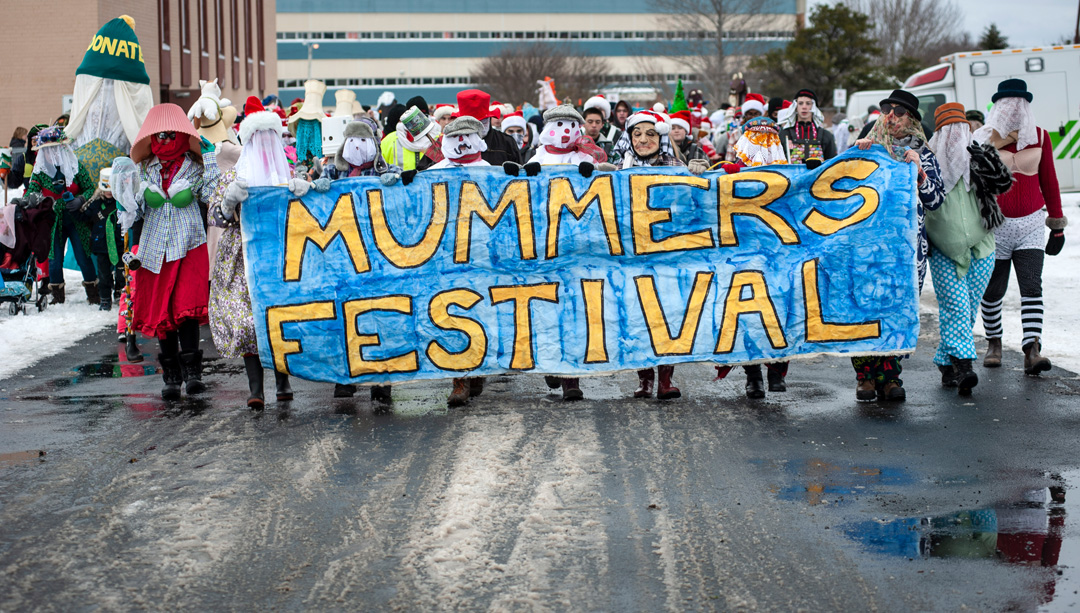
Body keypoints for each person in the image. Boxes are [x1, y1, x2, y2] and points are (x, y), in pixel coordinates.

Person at [208, 97, 305, 409]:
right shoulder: (232, 177)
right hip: (240, 255)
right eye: (257, 138)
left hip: (278, 253)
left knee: (277, 317)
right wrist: (229, 202)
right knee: (247, 321)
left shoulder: (287, 176)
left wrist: (304, 193)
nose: (263, 144)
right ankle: (255, 387)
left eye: (269, 138)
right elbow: (216, 217)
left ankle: (282, 380)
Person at [850, 89, 945, 401]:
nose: (890, 117)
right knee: (865, 305)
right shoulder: (867, 145)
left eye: (898, 112)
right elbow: (839, 191)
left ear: (911, 119)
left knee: (898, 307)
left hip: (907, 250)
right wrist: (854, 156)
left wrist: (919, 172)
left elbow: (935, 201)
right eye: (886, 110)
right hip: (868, 245)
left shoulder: (924, 153)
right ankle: (865, 376)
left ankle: (890, 376)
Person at [610, 110, 709, 399]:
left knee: (668, 316)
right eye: (637, 134)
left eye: (650, 134)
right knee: (636, 316)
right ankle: (645, 379)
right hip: (631, 256)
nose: (643, 140)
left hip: (668, 255)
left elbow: (699, 203)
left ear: (661, 138)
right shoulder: (617, 169)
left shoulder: (678, 168)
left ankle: (666, 379)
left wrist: (700, 174)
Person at [974, 79, 1067, 375]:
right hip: (995, 227)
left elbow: (1049, 180)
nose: (1014, 110)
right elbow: (974, 184)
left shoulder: (1039, 136)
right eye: (1007, 104)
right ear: (998, 107)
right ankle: (994, 344)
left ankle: (1032, 349)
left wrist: (1057, 224)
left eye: (1019, 104)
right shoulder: (985, 139)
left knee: (1031, 286)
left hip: (1030, 225)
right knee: (993, 289)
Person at [128, 103, 221, 400]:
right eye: (159, 135)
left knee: (186, 309)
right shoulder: (143, 169)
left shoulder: (195, 167)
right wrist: (131, 197)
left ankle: (193, 373)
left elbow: (212, 194)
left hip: (189, 245)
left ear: (182, 136)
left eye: (171, 135)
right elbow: (135, 208)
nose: (165, 141)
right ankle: (170, 375)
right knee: (162, 312)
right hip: (155, 250)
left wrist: (210, 158)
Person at [925, 103, 1013, 395]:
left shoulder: (980, 155)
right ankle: (964, 366)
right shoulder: (927, 163)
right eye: (947, 130)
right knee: (957, 307)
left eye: (960, 129)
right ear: (938, 132)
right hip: (944, 250)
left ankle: (944, 360)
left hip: (982, 247)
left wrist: (983, 158)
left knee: (967, 308)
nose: (954, 136)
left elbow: (1003, 184)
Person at [415, 116, 490, 406]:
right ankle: (459, 380)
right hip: (446, 258)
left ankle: (478, 369)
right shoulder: (434, 173)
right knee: (454, 313)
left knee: (482, 312)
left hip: (483, 257)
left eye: (467, 136)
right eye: (456, 137)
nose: (462, 142)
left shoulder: (492, 172)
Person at [715, 116, 793, 397]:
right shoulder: (730, 172)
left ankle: (776, 371)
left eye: (770, 138)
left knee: (780, 312)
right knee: (747, 314)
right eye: (757, 138)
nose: (764, 144)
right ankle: (753, 376)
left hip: (778, 255)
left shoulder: (789, 175)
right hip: (742, 254)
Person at [23, 126, 99, 305]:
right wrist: (32, 201)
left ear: (62, 148)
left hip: (76, 219)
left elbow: (90, 188)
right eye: (46, 150)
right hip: (52, 220)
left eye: (54, 149)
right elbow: (31, 193)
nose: (51, 153)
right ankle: (57, 297)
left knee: (83, 256)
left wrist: (80, 199)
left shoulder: (75, 165)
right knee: (54, 259)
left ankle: (94, 294)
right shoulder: (39, 171)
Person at [77, 168, 125, 311]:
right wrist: (74, 207)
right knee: (103, 274)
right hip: (101, 245)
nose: (109, 192)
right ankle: (105, 298)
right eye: (106, 189)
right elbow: (83, 217)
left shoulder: (121, 203)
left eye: (111, 189)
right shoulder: (95, 203)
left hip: (120, 243)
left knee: (122, 271)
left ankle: (120, 292)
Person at [455, 89, 521, 166]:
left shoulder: (506, 142)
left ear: (489, 119)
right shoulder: (450, 144)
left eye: (483, 121)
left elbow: (520, 174)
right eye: (472, 124)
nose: (478, 128)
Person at [778, 89, 837, 164]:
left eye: (808, 103)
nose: (804, 107)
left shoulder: (826, 136)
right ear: (795, 106)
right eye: (800, 103)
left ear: (813, 107)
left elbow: (832, 165)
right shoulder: (784, 134)